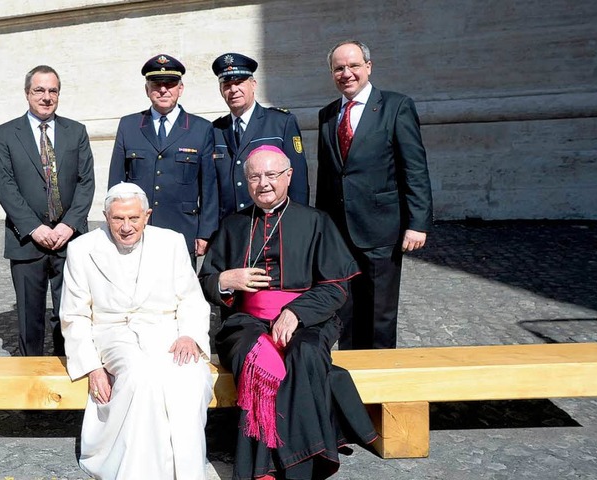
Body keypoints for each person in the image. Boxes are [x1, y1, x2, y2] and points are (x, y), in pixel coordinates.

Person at [200, 145, 377, 480]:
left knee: (305, 354)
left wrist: (296, 312)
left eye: (271, 175)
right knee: (257, 361)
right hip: (246, 322)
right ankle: (301, 455)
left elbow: (336, 287)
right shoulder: (233, 224)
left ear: (288, 177)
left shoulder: (316, 222)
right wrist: (227, 279)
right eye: (255, 176)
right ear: (246, 181)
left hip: (307, 320)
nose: (263, 183)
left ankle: (282, 464)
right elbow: (206, 281)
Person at [60, 182, 213, 480]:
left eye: (133, 218)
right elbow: (74, 315)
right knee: (142, 377)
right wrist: (92, 367)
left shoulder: (171, 242)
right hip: (114, 335)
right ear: (106, 217)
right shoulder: (82, 249)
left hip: (167, 333)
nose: (126, 226)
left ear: (147, 215)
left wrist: (189, 335)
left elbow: (191, 298)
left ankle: (185, 470)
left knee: (190, 377)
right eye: (118, 219)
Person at [316, 40, 433, 350]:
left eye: (354, 65)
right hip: (339, 234)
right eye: (339, 68)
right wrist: (321, 229)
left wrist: (418, 223)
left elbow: (415, 168)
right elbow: (327, 177)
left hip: (381, 230)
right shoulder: (327, 115)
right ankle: (350, 380)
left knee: (379, 315)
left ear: (368, 66)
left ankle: (381, 383)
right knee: (345, 312)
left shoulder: (396, 106)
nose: (347, 73)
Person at [0, 65, 95, 356]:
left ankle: (69, 374)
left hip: (70, 240)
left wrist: (69, 225)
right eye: (39, 90)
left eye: (53, 91)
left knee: (72, 315)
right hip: (25, 240)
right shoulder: (5, 134)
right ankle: (31, 383)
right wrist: (35, 228)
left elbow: (86, 182)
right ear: (27, 93)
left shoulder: (76, 132)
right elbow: (5, 187)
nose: (46, 97)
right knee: (29, 319)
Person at [108, 53, 218, 258]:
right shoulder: (129, 125)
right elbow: (116, 183)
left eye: (170, 83)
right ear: (147, 89)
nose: (163, 89)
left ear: (180, 88)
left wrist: (205, 233)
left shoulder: (200, 128)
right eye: (157, 84)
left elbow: (209, 187)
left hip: (183, 230)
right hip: (136, 231)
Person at [211, 52, 309, 218]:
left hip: (273, 222)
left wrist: (298, 222)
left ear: (253, 84)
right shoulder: (215, 129)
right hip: (230, 226)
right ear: (221, 90)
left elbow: (298, 180)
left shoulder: (281, 122)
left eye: (239, 82)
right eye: (227, 84)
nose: (233, 89)